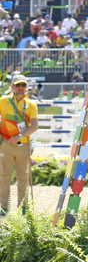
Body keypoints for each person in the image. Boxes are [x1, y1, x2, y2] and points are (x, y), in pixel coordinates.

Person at [0, 74, 39, 215]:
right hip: (6, 144)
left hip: (23, 144)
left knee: (23, 176)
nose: (21, 88)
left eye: (23, 85)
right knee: (4, 176)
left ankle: (23, 207)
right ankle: (4, 207)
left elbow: (35, 126)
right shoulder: (3, 101)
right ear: (12, 87)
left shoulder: (31, 105)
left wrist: (19, 136)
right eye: (18, 85)